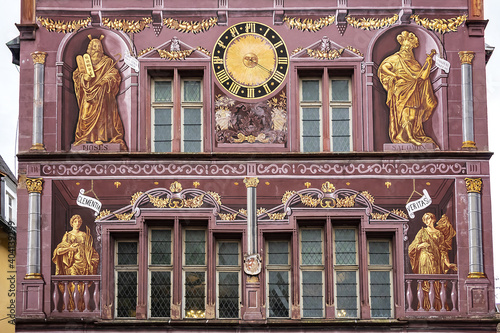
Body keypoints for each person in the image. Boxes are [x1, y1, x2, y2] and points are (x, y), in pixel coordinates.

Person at [378, 31, 438, 147]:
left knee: (412, 116)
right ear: (401, 46)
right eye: (405, 46)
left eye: (408, 47)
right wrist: (394, 75)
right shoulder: (396, 58)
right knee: (403, 113)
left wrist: (429, 62)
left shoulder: (415, 64)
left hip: (414, 90)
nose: (406, 49)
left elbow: (423, 77)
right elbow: (383, 67)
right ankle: (409, 137)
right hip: (401, 90)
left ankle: (409, 135)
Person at [73, 35, 127, 150]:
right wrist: (84, 78)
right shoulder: (85, 61)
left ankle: (101, 138)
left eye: (98, 46)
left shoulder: (107, 62)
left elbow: (114, 75)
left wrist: (106, 81)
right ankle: (85, 138)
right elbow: (77, 75)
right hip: (88, 95)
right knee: (85, 115)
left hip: (103, 94)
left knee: (103, 117)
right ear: (89, 48)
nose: (96, 49)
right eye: (94, 46)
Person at [408, 213, 457, 310]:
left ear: (433, 219)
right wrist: (421, 246)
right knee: (425, 283)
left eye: (428, 218)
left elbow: (443, 251)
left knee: (436, 284)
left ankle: (436, 306)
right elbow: (411, 248)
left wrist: (447, 263)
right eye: (425, 219)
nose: (427, 221)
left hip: (436, 261)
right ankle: (425, 306)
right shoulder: (422, 232)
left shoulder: (439, 234)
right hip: (424, 259)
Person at [52, 214, 99, 311]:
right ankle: (72, 307)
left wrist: (93, 258)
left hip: (84, 264)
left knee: (82, 288)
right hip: (71, 264)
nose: (77, 223)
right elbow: (59, 250)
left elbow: (89, 249)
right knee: (73, 285)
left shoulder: (85, 235)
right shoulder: (67, 235)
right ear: (72, 223)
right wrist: (70, 248)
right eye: (75, 221)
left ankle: (81, 307)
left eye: (79, 222)